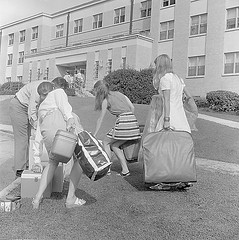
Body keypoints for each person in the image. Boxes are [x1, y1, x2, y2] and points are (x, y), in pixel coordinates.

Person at [32, 77, 86, 209]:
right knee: (80, 158)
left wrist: (36, 158)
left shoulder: (41, 108)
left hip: (47, 132)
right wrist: (70, 119)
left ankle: (37, 198)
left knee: (52, 162)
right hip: (59, 126)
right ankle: (70, 199)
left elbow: (38, 134)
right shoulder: (58, 92)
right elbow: (65, 108)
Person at [149, 54, 193, 190]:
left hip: (170, 117)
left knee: (161, 149)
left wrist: (166, 120)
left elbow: (166, 100)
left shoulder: (165, 79)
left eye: (156, 65)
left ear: (160, 65)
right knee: (180, 150)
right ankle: (185, 178)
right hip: (181, 118)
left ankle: (162, 182)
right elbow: (189, 97)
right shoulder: (178, 78)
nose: (155, 67)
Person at [93, 80, 141, 177]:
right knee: (115, 146)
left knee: (106, 142)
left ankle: (107, 169)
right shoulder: (119, 94)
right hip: (133, 121)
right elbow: (132, 108)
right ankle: (125, 170)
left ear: (99, 91)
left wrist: (95, 134)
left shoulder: (105, 100)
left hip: (123, 121)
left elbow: (100, 119)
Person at [9, 80, 47, 178]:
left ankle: (29, 164)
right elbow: (32, 111)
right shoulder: (38, 89)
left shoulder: (50, 90)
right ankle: (20, 169)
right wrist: (37, 128)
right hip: (19, 105)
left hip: (27, 106)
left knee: (31, 138)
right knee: (22, 138)